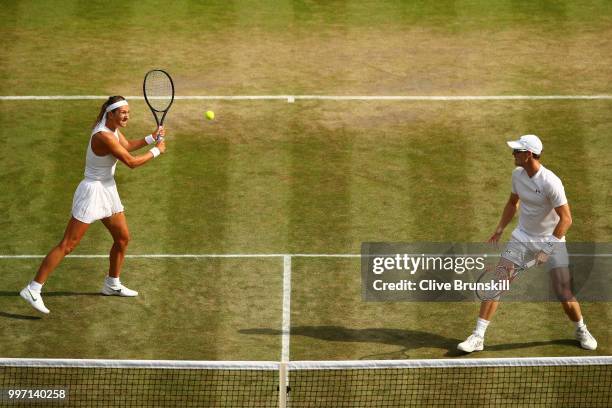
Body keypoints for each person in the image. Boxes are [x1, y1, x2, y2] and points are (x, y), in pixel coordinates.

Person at [19, 96, 166, 314]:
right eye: (123, 112)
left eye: (128, 112)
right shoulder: (103, 135)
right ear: (111, 114)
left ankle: (112, 284)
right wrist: (157, 150)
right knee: (68, 244)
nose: (127, 115)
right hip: (92, 191)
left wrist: (150, 138)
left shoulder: (112, 129)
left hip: (107, 189)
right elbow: (131, 162)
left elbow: (126, 146)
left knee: (122, 238)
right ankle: (33, 288)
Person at [458, 134, 597, 352]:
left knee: (564, 293)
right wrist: (500, 228)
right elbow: (513, 202)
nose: (513, 154)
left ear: (529, 154)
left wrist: (548, 247)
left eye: (517, 151)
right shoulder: (517, 174)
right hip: (521, 237)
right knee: (498, 284)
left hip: (552, 239)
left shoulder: (551, 182)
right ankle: (478, 336)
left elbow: (567, 219)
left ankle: (581, 329)